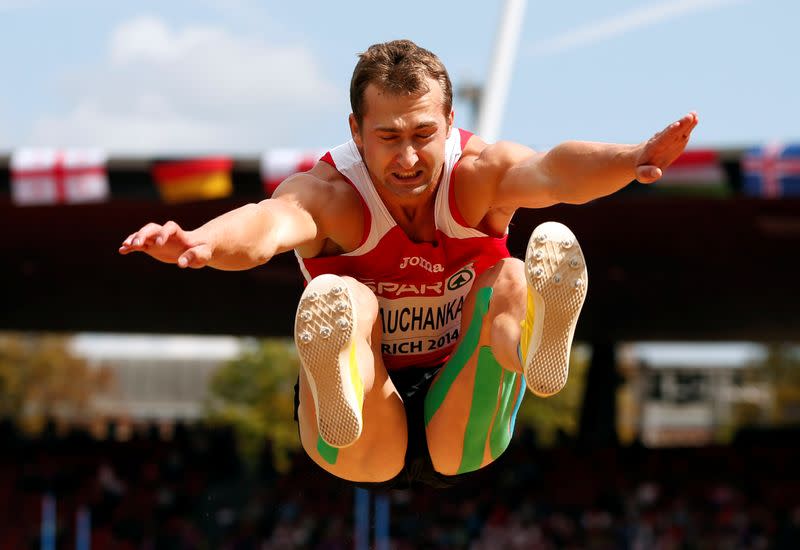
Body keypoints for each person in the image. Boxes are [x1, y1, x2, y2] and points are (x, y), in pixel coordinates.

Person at [119, 39, 698, 488]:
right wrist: (201, 240)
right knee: (347, 300)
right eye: (388, 137)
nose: (409, 158)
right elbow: (267, 226)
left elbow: (553, 172)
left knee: (512, 277)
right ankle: (345, 378)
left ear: (449, 122)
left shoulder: (477, 175)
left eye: (424, 134)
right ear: (356, 133)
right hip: (360, 427)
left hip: (461, 407)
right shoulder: (331, 195)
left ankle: (531, 348)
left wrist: (633, 158)